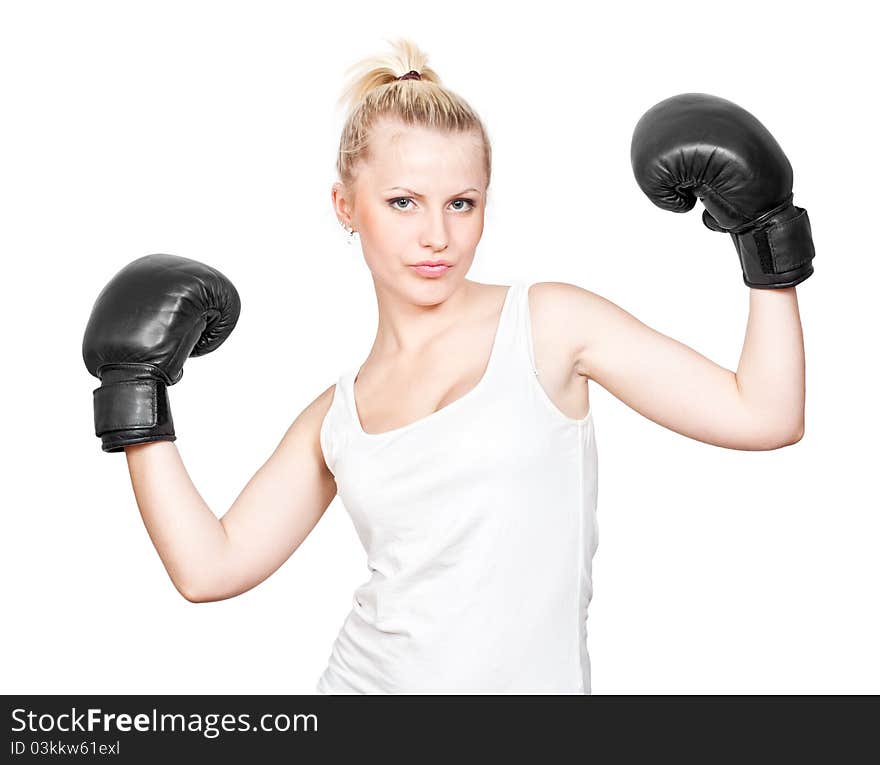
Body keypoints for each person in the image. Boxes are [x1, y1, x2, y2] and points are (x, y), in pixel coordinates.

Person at [82, 38, 812, 695]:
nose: (437, 235)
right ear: (345, 205)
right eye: (403, 202)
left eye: (461, 203)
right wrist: (132, 394)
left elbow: (765, 414)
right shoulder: (336, 414)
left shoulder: (549, 325)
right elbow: (209, 568)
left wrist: (767, 235)